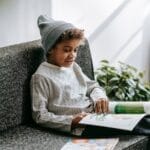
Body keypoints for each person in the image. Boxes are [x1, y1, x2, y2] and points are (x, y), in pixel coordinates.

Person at [30, 15, 109, 136]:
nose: (72, 55)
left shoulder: (73, 67)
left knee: (143, 117)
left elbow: (92, 86)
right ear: (50, 49)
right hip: (82, 125)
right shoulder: (41, 77)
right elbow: (40, 115)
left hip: (96, 114)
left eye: (75, 50)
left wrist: (100, 97)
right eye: (67, 50)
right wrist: (71, 121)